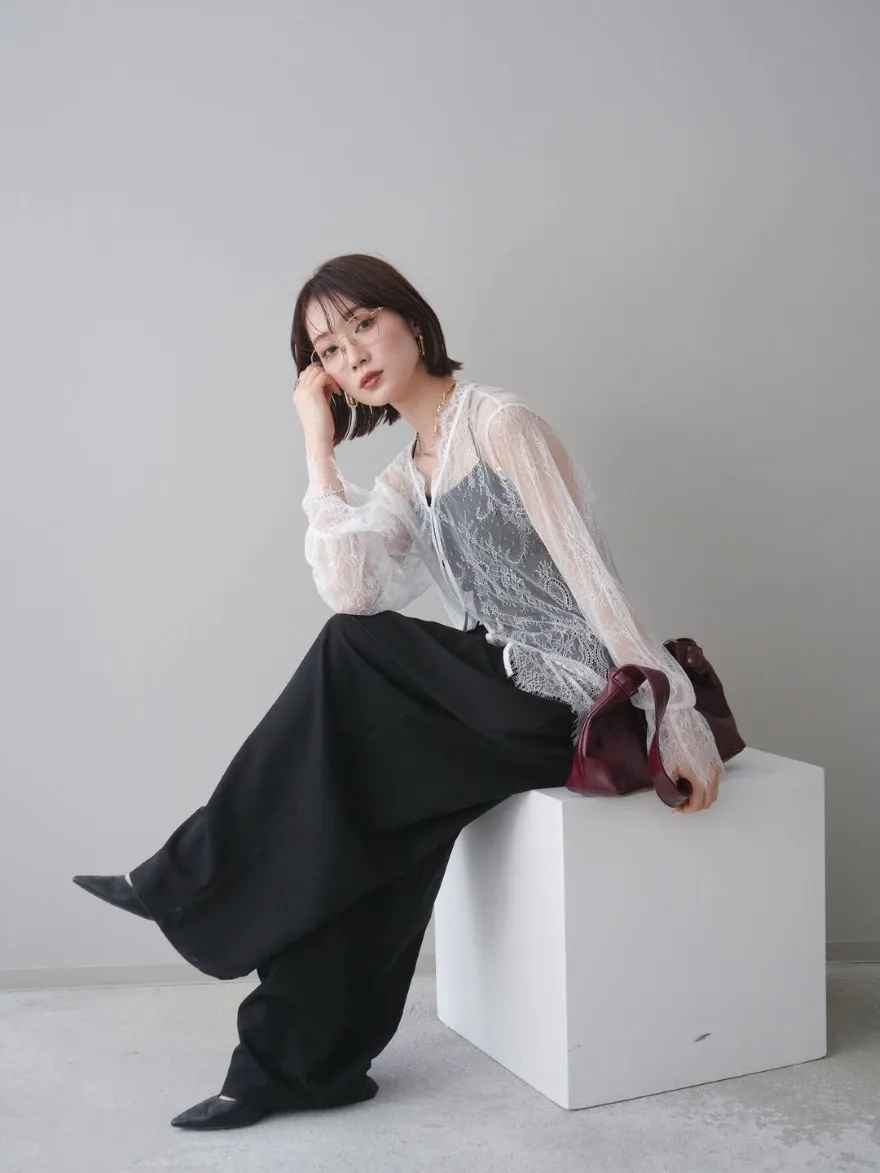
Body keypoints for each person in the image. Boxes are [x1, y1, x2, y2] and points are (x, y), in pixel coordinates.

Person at [72, 252, 722, 1131]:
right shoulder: (406, 476)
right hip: (490, 701)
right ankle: (296, 1066)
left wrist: (671, 711)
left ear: (412, 319)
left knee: (353, 653)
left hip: (564, 695)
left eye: (363, 326)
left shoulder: (500, 423)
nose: (353, 356)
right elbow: (351, 585)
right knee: (362, 828)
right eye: (328, 352)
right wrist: (317, 444)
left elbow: (590, 569)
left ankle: (190, 873)